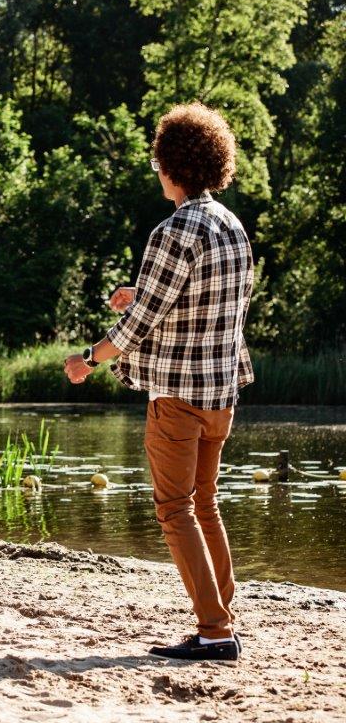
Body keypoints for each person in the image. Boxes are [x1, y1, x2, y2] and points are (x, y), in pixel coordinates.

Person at [64, 102, 253, 662]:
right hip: (221, 394)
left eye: (157, 160)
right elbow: (204, 303)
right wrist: (138, 294)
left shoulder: (172, 231)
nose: (156, 170)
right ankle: (222, 620)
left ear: (172, 165)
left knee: (175, 509)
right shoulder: (231, 226)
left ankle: (216, 632)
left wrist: (89, 360)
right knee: (205, 506)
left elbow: (139, 328)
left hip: (178, 397)